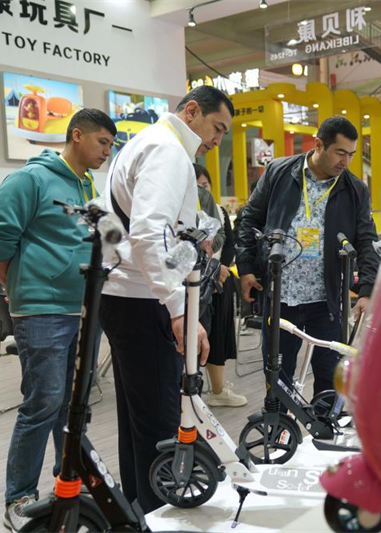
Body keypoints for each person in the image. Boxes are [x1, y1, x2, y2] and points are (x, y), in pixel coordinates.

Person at [0, 109, 116, 532]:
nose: (106, 153)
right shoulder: (30, 180)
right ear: (76, 136)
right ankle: (18, 497)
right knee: (43, 402)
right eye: (102, 144)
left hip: (84, 307)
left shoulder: (87, 184)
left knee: (73, 406)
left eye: (110, 146)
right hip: (42, 308)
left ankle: (67, 483)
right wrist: (28, 284)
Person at [99, 85, 233, 513]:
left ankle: (140, 506)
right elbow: (147, 231)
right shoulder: (169, 150)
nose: (217, 140)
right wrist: (177, 307)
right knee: (157, 419)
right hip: (144, 300)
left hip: (125, 294)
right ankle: (159, 515)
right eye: (217, 127)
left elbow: (129, 226)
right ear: (191, 111)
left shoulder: (140, 145)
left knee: (138, 418)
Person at [236, 116, 380, 397]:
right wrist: (246, 267)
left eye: (351, 154)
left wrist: (368, 289)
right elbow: (248, 219)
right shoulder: (279, 172)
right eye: (340, 152)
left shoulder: (355, 190)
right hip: (280, 296)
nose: (346, 161)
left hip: (325, 300)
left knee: (329, 377)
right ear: (318, 145)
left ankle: (323, 434)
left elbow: (366, 241)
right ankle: (279, 434)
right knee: (278, 377)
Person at [194, 164, 246, 407]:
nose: (203, 190)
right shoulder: (187, 216)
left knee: (219, 336)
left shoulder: (220, 211)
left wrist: (221, 270)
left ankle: (217, 390)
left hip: (221, 281)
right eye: (197, 186)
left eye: (205, 185)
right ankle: (192, 391)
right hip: (197, 283)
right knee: (196, 338)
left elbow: (229, 243)